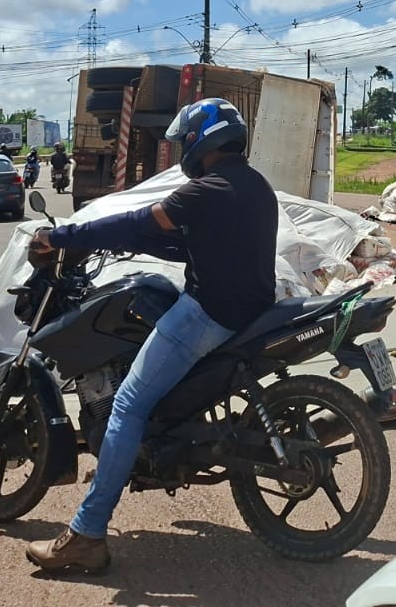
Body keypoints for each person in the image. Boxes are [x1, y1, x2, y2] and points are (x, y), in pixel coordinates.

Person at [23, 99, 275, 574]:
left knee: (126, 407)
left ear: (203, 140)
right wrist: (114, 239)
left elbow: (143, 221)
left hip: (210, 314)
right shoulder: (251, 184)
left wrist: (67, 237)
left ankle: (86, 534)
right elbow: (178, 240)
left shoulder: (207, 188)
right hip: (249, 308)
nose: (183, 151)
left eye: (184, 141)